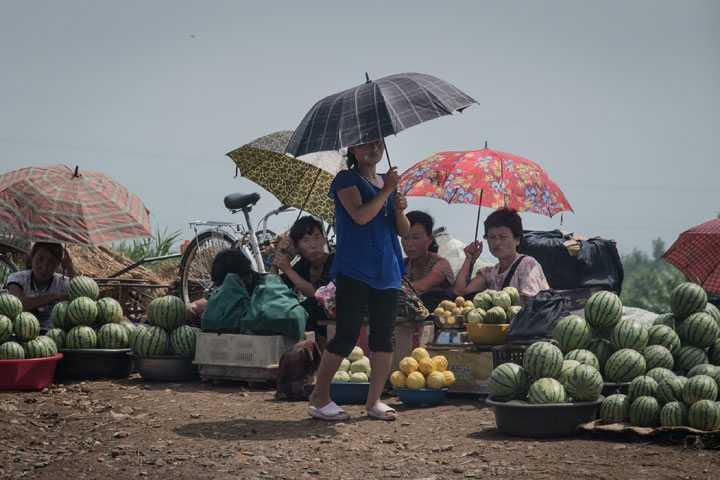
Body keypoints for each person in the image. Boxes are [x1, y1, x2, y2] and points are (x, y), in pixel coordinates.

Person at [308, 138, 410, 422]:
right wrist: (388, 189)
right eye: (366, 143)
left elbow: (402, 230)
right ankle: (319, 396)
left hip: (388, 267)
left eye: (379, 143)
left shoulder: (384, 181)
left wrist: (399, 208)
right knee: (346, 334)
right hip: (355, 267)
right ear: (352, 149)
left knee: (383, 335)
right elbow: (361, 216)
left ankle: (374, 401)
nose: (374, 149)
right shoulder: (345, 179)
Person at [453, 208, 549, 306]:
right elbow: (459, 291)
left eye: (503, 237)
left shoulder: (528, 265)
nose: (497, 242)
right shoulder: (490, 273)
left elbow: (530, 303)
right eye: (492, 237)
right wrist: (470, 259)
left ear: (517, 240)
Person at [269, 215, 334, 351]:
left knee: (308, 307)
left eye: (317, 237)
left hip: (343, 313)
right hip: (320, 318)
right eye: (306, 240)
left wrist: (286, 268)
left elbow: (315, 293)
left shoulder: (335, 261)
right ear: (297, 247)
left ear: (323, 239)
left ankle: (323, 357)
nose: (313, 245)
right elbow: (273, 287)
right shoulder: (303, 265)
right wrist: (279, 253)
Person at [7, 242, 76, 331]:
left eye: (51, 262)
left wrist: (70, 269)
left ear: (58, 264)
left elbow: (81, 300)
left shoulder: (63, 282)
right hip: (23, 332)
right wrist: (54, 296)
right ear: (32, 258)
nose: (44, 267)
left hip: (54, 335)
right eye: (40, 259)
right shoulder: (17, 278)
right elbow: (18, 305)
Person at [401, 211, 455, 311]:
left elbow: (422, 287)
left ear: (430, 239)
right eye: (405, 238)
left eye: (415, 238)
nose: (409, 244)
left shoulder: (441, 264)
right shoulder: (403, 264)